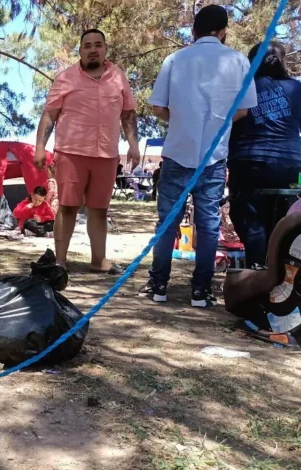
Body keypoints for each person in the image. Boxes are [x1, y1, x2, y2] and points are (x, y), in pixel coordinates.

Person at [141, 5, 257, 307]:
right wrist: (217, 124)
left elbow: (157, 107)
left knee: (167, 222)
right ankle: (201, 290)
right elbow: (244, 110)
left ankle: (158, 284)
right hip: (214, 157)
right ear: (224, 31)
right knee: (208, 225)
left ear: (193, 31)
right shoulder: (239, 61)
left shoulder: (174, 59)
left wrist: (181, 120)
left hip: (177, 153)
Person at [33, 28, 140, 274]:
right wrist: (40, 148)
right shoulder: (65, 78)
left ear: (105, 49)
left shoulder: (119, 77)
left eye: (98, 45)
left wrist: (133, 146)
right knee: (68, 206)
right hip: (71, 153)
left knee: (100, 210)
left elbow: (128, 115)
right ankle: (60, 261)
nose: (93, 50)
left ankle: (98, 261)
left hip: (107, 155)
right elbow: (49, 115)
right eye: (88, 45)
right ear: (80, 51)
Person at [228, 41, 301, 268]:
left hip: (249, 162)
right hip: (289, 163)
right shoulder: (296, 88)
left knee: (249, 219)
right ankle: (279, 271)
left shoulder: (241, 88)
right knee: (284, 221)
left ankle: (257, 269)